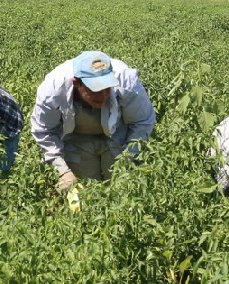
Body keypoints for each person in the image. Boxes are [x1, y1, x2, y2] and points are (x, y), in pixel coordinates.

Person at [32, 50, 156, 189]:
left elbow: (142, 122)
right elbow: (44, 131)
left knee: (119, 186)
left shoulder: (125, 81)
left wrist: (128, 157)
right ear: (77, 83)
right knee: (87, 189)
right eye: (95, 90)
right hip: (76, 138)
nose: (102, 95)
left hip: (117, 134)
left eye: (107, 88)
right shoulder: (53, 90)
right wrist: (62, 171)